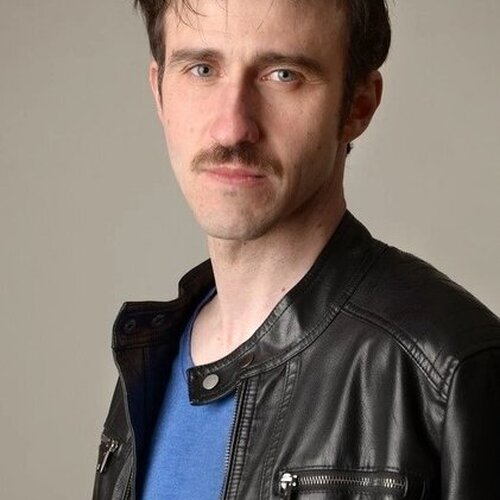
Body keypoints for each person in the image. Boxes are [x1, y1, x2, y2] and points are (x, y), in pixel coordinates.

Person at [93, 0, 500, 498]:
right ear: (159, 91)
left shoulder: (451, 369)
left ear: (358, 106)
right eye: (202, 69)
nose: (232, 128)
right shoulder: (150, 361)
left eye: (283, 75)